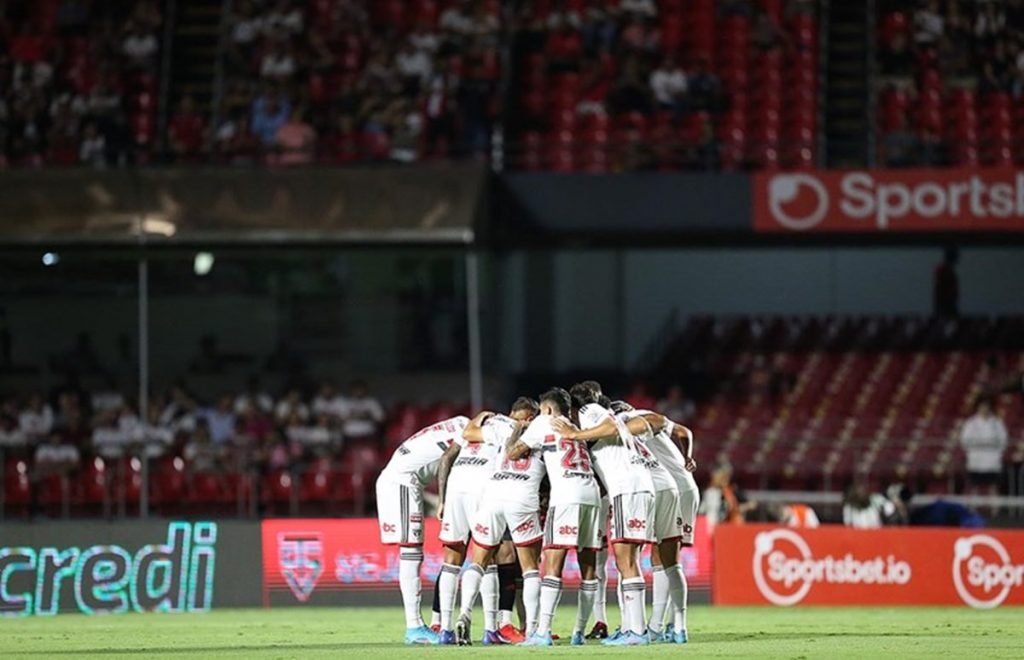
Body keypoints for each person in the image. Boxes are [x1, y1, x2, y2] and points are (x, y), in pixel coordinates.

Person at [552, 383, 657, 646]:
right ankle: (634, 628)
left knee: (626, 561)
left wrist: (574, 434)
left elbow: (611, 427)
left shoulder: (589, 410)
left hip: (628, 488)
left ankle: (637, 632)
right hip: (636, 487)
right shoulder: (595, 419)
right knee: (627, 559)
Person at [435, 399, 539, 646]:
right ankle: (493, 628)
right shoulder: (516, 428)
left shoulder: (485, 423)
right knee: (490, 556)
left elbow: (449, 454)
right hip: (484, 488)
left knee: (452, 560)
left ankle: (446, 629)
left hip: (456, 487)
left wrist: (441, 500)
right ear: (528, 416)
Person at [510, 388, 601, 647]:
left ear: (548, 409)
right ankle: (580, 633)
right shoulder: (574, 427)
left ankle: (543, 632)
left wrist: (521, 435)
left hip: (566, 495)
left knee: (552, 563)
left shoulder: (542, 422)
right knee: (589, 567)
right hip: (590, 492)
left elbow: (514, 452)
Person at [375, 415, 472, 645]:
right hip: (403, 481)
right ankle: (414, 626)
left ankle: (418, 625)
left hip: (404, 479)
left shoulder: (461, 422)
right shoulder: (469, 437)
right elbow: (449, 465)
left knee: (413, 553)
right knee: (410, 554)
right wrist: (444, 501)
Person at [608, 401, 693, 645]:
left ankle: (651, 627)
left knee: (639, 556)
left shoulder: (632, 420)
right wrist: (688, 458)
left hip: (666, 487)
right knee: (668, 560)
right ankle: (677, 627)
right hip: (682, 486)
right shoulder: (644, 420)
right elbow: (685, 432)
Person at [959, 396, 1008, 495]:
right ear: (978, 408)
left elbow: (1003, 440)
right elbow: (964, 441)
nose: (984, 409)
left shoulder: (997, 423)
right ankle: (973, 509)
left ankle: (995, 510)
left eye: (986, 406)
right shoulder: (970, 423)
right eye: (982, 406)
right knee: (974, 487)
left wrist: (993, 446)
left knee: (993, 487)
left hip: (992, 461)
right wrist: (979, 444)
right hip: (976, 461)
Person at [933, 247, 959, 317]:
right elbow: (940, 290)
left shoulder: (946, 271)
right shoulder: (944, 271)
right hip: (946, 307)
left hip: (947, 306)